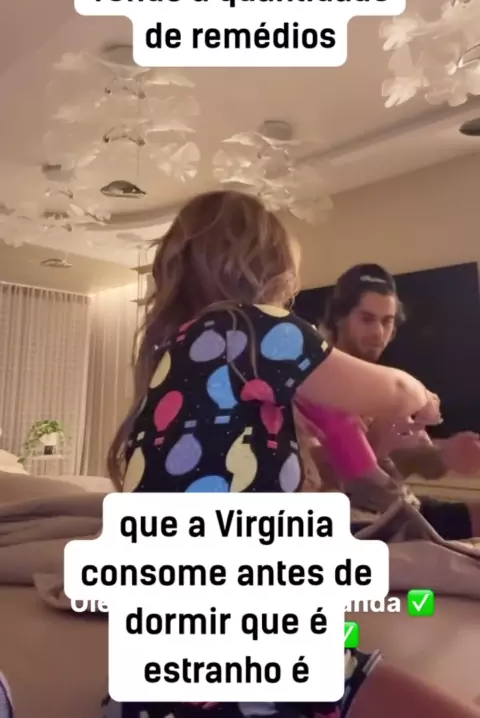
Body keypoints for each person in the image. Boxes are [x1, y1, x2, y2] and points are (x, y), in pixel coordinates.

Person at [102, 192, 478, 718]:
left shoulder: (176, 358)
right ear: (269, 270)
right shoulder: (247, 327)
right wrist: (424, 397)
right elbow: (395, 394)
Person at [318, 263, 480, 539]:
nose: (378, 333)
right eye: (367, 319)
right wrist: (374, 447)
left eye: (387, 321)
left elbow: (410, 459)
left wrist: (447, 454)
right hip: (354, 524)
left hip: (397, 507)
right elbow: (315, 477)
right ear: (339, 319)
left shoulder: (381, 386)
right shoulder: (316, 381)